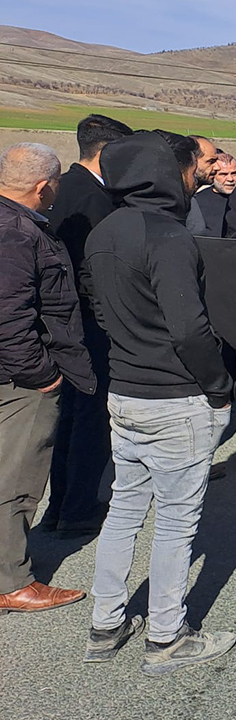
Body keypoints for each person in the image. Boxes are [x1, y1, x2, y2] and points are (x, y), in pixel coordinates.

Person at [83, 130, 236, 672]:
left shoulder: (104, 232)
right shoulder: (167, 234)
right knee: (176, 521)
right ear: (162, 173)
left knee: (125, 509)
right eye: (191, 166)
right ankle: (168, 638)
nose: (196, 171)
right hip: (176, 398)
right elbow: (190, 329)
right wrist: (219, 388)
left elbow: (101, 311)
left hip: (124, 391)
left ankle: (105, 625)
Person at [0, 143, 95, 614]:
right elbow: (10, 316)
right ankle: (13, 582)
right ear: (44, 186)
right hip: (18, 380)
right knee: (17, 479)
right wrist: (42, 375)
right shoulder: (18, 233)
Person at [44, 114, 132, 537]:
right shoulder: (94, 200)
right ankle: (77, 510)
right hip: (88, 326)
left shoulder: (65, 186)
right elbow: (92, 273)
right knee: (89, 419)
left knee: (70, 418)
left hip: (66, 323)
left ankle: (59, 507)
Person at [186, 152, 236, 238]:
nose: (230, 179)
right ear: (213, 174)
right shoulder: (198, 200)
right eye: (223, 174)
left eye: (234, 173)